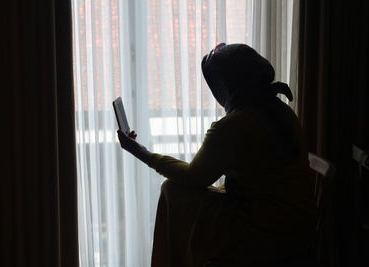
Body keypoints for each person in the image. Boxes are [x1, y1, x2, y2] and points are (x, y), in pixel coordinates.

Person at [118, 43, 317, 267]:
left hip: (266, 232)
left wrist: (141, 152)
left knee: (171, 192)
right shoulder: (280, 109)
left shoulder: (234, 126)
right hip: (298, 226)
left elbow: (194, 177)